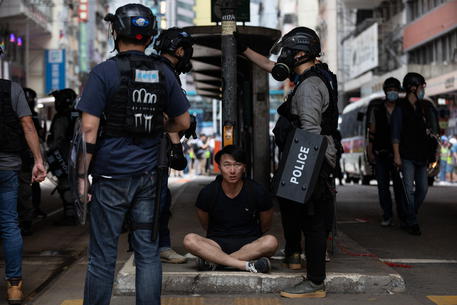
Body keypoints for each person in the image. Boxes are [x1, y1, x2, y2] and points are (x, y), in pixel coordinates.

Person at [77, 4, 190, 305]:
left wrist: (80, 179)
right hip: (150, 176)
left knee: (102, 255)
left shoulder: (103, 72)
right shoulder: (164, 73)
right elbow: (184, 122)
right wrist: (160, 123)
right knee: (148, 253)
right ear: (149, 34)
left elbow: (88, 130)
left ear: (116, 32)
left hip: (111, 174)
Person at [238, 27, 338, 298]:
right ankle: (303, 265)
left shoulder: (309, 87)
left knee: (313, 221)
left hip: (311, 158)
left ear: (302, 53)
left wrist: (302, 174)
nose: (285, 57)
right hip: (312, 157)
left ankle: (315, 282)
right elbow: (273, 67)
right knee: (301, 213)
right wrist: (244, 49)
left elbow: (310, 131)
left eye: (289, 52)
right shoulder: (314, 75)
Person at [183, 145, 278, 273]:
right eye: (227, 165)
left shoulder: (257, 191)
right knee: (189, 239)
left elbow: (265, 224)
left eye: (237, 165)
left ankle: (216, 262)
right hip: (216, 244)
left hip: (249, 244)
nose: (232, 171)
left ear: (244, 167)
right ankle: (245, 265)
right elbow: (205, 223)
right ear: (219, 167)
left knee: (271, 242)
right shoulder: (208, 192)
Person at [0, 45, 47, 305]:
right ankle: (14, 286)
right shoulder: (11, 89)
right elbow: (28, 124)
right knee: (9, 223)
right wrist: (38, 160)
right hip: (7, 166)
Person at [153, 27, 195, 264]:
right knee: (158, 200)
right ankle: (158, 247)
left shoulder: (150, 67)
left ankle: (154, 245)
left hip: (134, 149)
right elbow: (169, 116)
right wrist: (176, 147)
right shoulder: (165, 72)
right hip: (153, 151)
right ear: (179, 51)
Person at [391, 72, 437, 236]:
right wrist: (397, 155)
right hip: (406, 156)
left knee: (423, 189)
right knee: (408, 189)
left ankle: (408, 214)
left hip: (421, 156)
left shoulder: (422, 108)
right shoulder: (400, 109)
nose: (423, 90)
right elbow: (395, 135)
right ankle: (411, 221)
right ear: (412, 87)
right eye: (421, 87)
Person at [367, 77, 405, 227]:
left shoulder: (402, 109)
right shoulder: (377, 110)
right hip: (381, 154)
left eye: (395, 90)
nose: (392, 93)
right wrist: (370, 151)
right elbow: (371, 132)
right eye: (390, 90)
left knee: (399, 187)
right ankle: (387, 215)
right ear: (385, 92)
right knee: (383, 188)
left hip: (398, 155)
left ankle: (403, 216)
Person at [46, 88, 78, 225]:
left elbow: (57, 140)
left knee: (65, 185)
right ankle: (75, 213)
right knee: (74, 184)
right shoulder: (76, 114)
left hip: (63, 156)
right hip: (76, 156)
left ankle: (70, 215)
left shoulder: (62, 117)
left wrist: (51, 151)